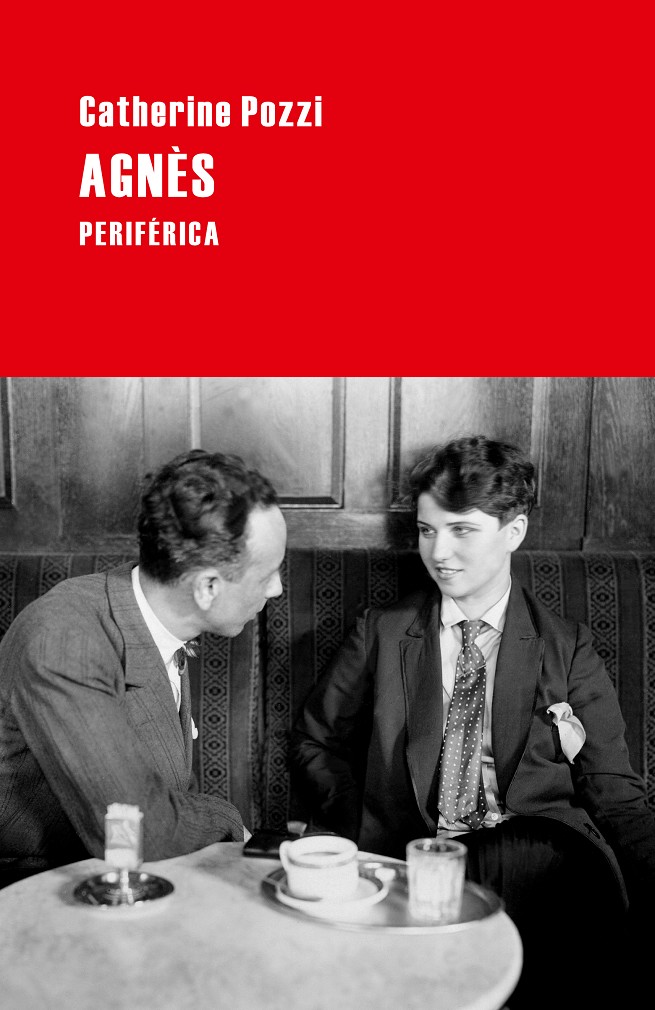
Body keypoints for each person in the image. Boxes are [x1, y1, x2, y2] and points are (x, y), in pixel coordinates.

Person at [290, 434, 655, 1007]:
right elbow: (316, 741)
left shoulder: (566, 647)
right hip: (423, 859)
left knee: (519, 861)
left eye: (462, 530)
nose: (439, 552)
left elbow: (615, 791)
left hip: (546, 865)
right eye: (426, 530)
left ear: (514, 531)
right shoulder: (383, 632)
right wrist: (365, 823)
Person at [0, 449, 286, 888]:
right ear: (207, 587)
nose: (277, 589)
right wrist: (231, 822)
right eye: (267, 574)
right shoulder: (66, 640)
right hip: (30, 883)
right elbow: (137, 831)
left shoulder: (152, 615)